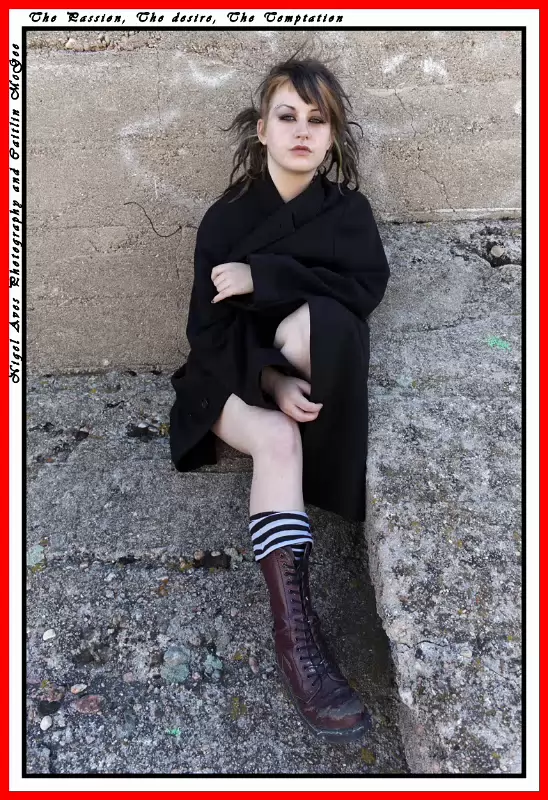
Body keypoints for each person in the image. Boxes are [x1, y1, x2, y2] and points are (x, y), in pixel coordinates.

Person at [169, 50, 390, 743]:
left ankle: (299, 411)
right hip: (226, 374)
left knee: (321, 320)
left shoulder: (349, 214)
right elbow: (206, 335)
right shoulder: (225, 220)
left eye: (317, 120)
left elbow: (361, 294)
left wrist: (265, 277)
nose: (302, 131)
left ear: (333, 136)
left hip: (304, 355)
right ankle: (297, 641)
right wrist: (267, 379)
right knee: (276, 436)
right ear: (261, 129)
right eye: (287, 116)